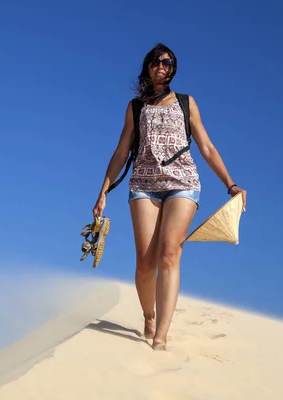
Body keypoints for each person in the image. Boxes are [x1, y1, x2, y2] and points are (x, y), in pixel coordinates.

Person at [92, 43, 247, 351]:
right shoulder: (136, 107)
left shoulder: (187, 103)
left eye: (167, 62)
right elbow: (122, 151)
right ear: (147, 66)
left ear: (173, 68)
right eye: (155, 61)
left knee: (168, 254)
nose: (161, 66)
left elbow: (206, 147)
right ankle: (148, 316)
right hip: (144, 186)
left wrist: (230, 184)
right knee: (146, 263)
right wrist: (103, 192)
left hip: (183, 183)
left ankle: (161, 336)